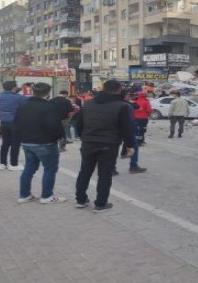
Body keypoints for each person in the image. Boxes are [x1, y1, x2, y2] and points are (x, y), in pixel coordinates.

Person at [74, 80, 135, 212]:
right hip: (109, 144)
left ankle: (80, 199)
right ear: (119, 90)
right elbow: (127, 128)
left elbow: (79, 124)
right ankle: (100, 204)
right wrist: (129, 145)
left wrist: (84, 137)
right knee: (105, 174)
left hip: (88, 143)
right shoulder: (122, 106)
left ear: (103, 88)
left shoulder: (89, 104)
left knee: (85, 171)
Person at [15, 82, 66, 204]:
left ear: (33, 91)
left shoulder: (23, 106)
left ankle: (24, 195)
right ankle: (47, 196)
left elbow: (17, 122)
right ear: (48, 93)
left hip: (27, 142)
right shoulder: (49, 106)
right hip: (45, 143)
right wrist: (59, 137)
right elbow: (54, 125)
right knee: (49, 169)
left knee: (29, 168)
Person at [0, 81, 28, 170]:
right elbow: (26, 102)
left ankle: (2, 164)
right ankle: (13, 164)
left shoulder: (0, 96)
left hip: (3, 122)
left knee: (5, 143)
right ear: (14, 87)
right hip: (15, 123)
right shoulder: (19, 98)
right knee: (15, 144)